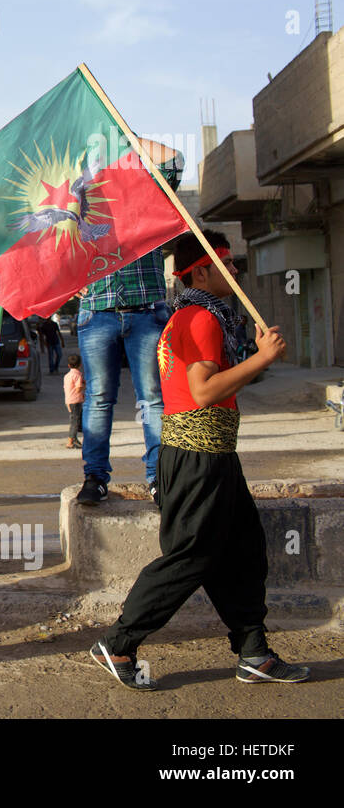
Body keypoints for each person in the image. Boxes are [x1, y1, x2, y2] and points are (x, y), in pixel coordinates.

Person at [91, 230, 309, 690]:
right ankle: (119, 643)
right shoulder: (200, 318)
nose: (234, 270)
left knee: (244, 551)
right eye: (226, 263)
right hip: (197, 458)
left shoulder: (195, 315)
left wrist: (253, 357)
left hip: (214, 455)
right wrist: (262, 359)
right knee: (190, 556)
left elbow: (213, 385)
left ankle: (254, 653)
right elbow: (203, 391)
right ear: (202, 272)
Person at [75, 139, 183, 507]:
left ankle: (158, 478)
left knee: (153, 399)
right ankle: (95, 478)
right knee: (98, 398)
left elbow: (174, 159)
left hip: (146, 311)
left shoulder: (149, 191)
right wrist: (69, 283)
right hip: (97, 311)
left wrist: (128, 137)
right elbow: (50, 245)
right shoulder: (81, 200)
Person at [64, 353, 84, 450]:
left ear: (69, 365)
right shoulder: (78, 375)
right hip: (76, 401)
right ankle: (70, 441)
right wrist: (84, 386)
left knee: (75, 420)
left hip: (69, 400)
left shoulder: (67, 375)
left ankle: (75, 438)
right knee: (75, 421)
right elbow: (78, 388)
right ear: (80, 365)